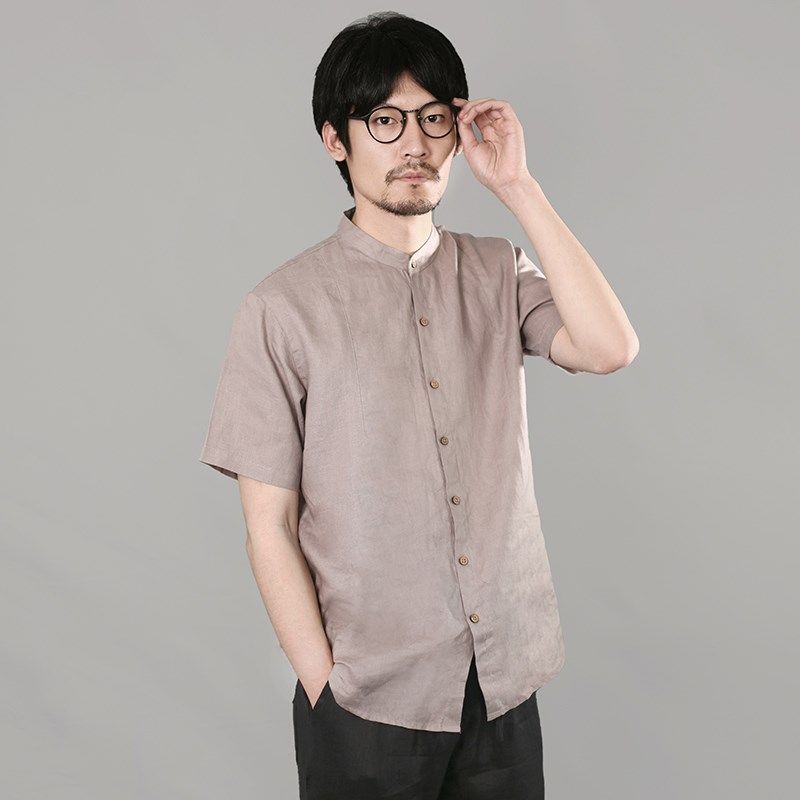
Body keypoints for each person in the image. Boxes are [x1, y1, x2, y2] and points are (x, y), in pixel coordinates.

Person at [199, 11, 638, 800]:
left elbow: (609, 348)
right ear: (336, 140)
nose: (414, 144)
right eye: (385, 120)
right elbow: (269, 524)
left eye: (434, 119)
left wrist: (519, 187)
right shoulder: (281, 308)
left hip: (502, 683)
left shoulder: (498, 270)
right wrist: (325, 685)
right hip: (367, 700)